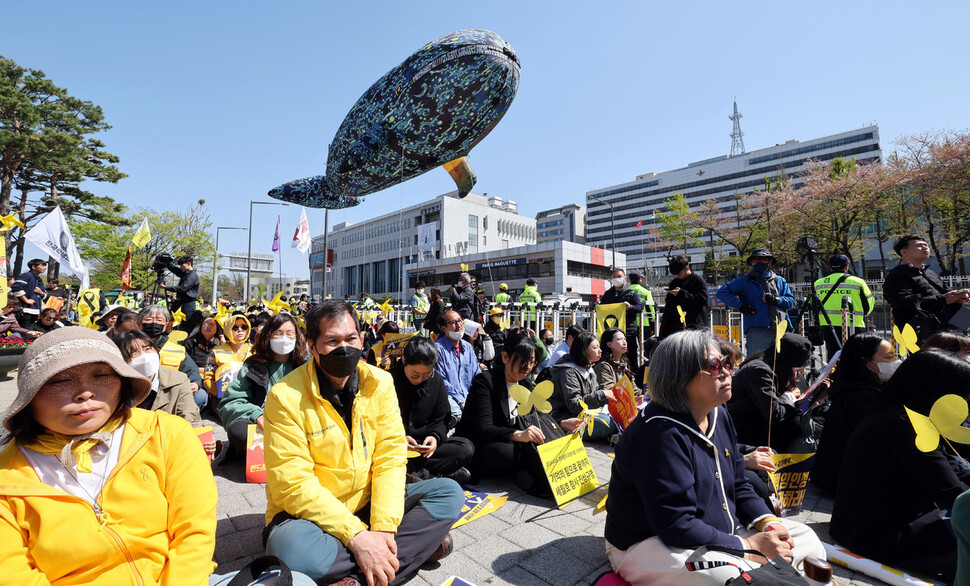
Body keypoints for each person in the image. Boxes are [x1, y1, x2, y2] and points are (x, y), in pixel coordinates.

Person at [262, 300, 464, 585]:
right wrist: (355, 536)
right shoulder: (284, 396)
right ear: (312, 347)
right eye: (332, 340)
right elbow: (293, 485)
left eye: (350, 338)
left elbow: (390, 458)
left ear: (361, 338)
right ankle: (407, 553)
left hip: (369, 505)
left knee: (449, 492)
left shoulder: (380, 382)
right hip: (310, 518)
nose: (344, 347)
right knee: (292, 552)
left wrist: (381, 531)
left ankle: (361, 573)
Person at [0, 327, 219, 584]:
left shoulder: (167, 432)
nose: (85, 392)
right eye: (60, 380)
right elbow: (13, 574)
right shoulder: (7, 480)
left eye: (102, 375)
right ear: (30, 396)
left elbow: (194, 531)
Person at [604, 330, 825, 584]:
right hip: (649, 542)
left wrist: (767, 523)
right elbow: (675, 523)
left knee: (806, 540)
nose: (728, 371)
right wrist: (748, 545)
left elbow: (739, 482)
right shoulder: (658, 432)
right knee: (728, 575)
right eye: (715, 365)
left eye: (727, 363)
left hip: (717, 532)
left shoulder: (718, 412)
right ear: (680, 376)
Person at [831, 350, 970, 583]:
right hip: (883, 535)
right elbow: (953, 493)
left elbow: (954, 469)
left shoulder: (901, 413)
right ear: (939, 391)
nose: (965, 403)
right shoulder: (904, 426)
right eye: (962, 395)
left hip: (877, 526)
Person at [456, 331, 567, 495]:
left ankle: (523, 472)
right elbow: (483, 428)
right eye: (522, 361)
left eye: (532, 362)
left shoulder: (525, 381)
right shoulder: (486, 382)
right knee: (507, 453)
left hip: (515, 438)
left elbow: (536, 414)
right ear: (505, 357)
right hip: (483, 442)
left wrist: (562, 424)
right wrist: (517, 434)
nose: (527, 367)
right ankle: (519, 471)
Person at [114, 328, 218, 462]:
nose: (144, 356)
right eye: (134, 352)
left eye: (147, 348)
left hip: (168, 450)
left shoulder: (178, 380)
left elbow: (190, 419)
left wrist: (204, 440)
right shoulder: (115, 385)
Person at [811, 332, 895, 496]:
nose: (895, 362)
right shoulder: (861, 396)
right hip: (846, 483)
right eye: (889, 357)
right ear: (866, 362)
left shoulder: (858, 388)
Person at [218, 313, 307, 463]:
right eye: (277, 333)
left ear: (297, 337)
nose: (284, 338)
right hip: (262, 421)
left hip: (296, 421)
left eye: (289, 334)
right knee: (239, 431)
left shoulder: (305, 365)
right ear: (268, 336)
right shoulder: (253, 364)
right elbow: (231, 401)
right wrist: (256, 415)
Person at [390, 336, 475, 482]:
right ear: (404, 360)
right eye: (415, 375)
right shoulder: (388, 380)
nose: (420, 379)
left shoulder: (436, 381)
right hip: (395, 446)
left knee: (465, 448)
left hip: (424, 448)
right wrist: (398, 439)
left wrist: (435, 437)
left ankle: (418, 474)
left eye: (426, 375)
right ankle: (433, 475)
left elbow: (441, 418)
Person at [726, 333, 815, 452]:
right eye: (796, 369)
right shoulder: (760, 371)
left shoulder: (771, 366)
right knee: (794, 424)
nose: (797, 374)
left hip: (756, 422)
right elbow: (774, 413)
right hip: (743, 430)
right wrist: (790, 396)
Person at [884, 235, 970, 342]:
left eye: (926, 245)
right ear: (904, 252)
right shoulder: (897, 276)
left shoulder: (931, 273)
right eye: (919, 246)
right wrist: (943, 299)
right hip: (919, 334)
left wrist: (958, 298)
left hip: (944, 331)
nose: (925, 248)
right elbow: (904, 303)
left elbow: (946, 293)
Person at [716, 248, 796, 356]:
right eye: (756, 260)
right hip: (757, 331)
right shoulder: (744, 281)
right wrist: (740, 306)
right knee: (756, 365)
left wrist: (777, 299)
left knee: (783, 367)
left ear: (770, 261)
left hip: (781, 329)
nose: (758, 262)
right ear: (751, 263)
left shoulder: (780, 280)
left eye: (762, 259)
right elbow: (721, 292)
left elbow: (791, 301)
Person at [550, 331, 616, 440]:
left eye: (599, 347)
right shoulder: (568, 372)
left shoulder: (588, 368)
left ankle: (613, 436)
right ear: (583, 351)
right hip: (566, 418)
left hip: (586, 415)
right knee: (607, 423)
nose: (600, 351)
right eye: (595, 348)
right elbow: (575, 405)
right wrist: (602, 394)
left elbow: (596, 394)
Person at [136, 305, 205, 407]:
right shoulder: (127, 344)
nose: (154, 323)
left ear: (165, 326)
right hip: (138, 392)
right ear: (139, 324)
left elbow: (191, 370)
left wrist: (195, 383)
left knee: (200, 396)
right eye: (149, 319)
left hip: (169, 393)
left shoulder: (177, 349)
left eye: (159, 320)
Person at [813, 254, 875, 360]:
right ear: (847, 266)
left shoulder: (818, 283)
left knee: (833, 357)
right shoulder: (858, 282)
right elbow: (869, 305)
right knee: (856, 356)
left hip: (828, 325)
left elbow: (813, 304)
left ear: (830, 267)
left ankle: (833, 376)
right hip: (854, 324)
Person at [434, 310, 480, 424]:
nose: (459, 325)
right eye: (453, 322)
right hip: (449, 397)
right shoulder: (438, 349)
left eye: (460, 321)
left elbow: (477, 375)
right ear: (444, 328)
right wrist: (461, 401)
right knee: (456, 414)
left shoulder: (468, 347)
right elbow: (441, 380)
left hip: (469, 397)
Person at [600, 268, 644, 371]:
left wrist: (630, 307)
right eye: (614, 277)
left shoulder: (631, 293)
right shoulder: (608, 294)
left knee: (631, 359)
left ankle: (633, 380)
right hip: (612, 332)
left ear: (624, 279)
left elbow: (639, 307)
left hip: (628, 332)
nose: (616, 279)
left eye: (619, 277)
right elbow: (601, 308)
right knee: (611, 358)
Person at [203, 313, 253, 401]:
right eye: (235, 327)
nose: (240, 330)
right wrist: (220, 394)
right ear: (228, 329)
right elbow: (208, 379)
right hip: (224, 399)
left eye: (244, 327)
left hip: (251, 398)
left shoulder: (255, 350)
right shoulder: (215, 353)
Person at [659, 255, 711, 339]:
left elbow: (702, 300)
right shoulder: (675, 282)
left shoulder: (698, 281)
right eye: (675, 274)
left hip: (695, 328)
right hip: (676, 327)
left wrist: (681, 294)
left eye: (679, 273)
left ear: (687, 268)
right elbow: (669, 305)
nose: (677, 276)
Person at [164, 255, 201, 332]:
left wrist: (165, 287)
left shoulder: (192, 276)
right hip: (180, 302)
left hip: (188, 303)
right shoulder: (186, 273)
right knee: (169, 319)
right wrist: (168, 263)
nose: (180, 267)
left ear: (188, 263)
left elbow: (183, 288)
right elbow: (175, 270)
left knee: (186, 325)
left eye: (181, 265)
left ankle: (185, 342)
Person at [594, 328, 634, 393]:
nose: (624, 343)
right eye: (619, 339)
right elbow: (609, 391)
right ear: (609, 344)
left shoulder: (624, 363)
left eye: (625, 339)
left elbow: (633, 388)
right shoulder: (603, 366)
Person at [10, 258, 47, 326]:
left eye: (45, 266)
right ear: (33, 267)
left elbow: (44, 294)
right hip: (25, 310)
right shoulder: (26, 275)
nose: (44, 268)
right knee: (25, 331)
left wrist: (40, 292)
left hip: (35, 310)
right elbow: (16, 287)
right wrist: (26, 300)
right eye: (42, 265)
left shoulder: (39, 279)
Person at [628, 270, 656, 336]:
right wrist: (653, 320)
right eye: (641, 278)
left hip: (629, 323)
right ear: (639, 279)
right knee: (645, 345)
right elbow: (651, 307)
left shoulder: (626, 290)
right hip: (644, 323)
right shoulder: (646, 291)